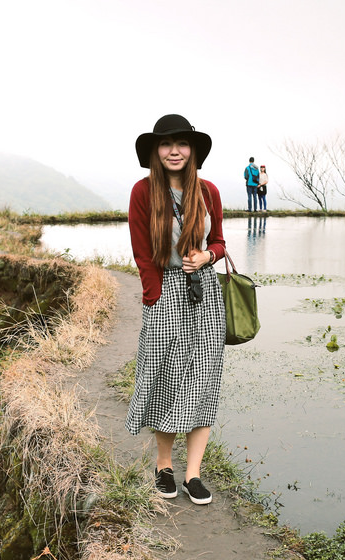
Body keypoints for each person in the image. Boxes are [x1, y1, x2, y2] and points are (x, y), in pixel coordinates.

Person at [126, 114, 227, 505]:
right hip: (165, 295)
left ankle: (194, 474)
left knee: (203, 381)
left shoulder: (209, 192)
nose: (174, 151)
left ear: (193, 150)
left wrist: (206, 256)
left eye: (182, 144)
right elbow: (141, 252)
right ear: (156, 151)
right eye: (166, 144)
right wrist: (153, 298)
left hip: (205, 298)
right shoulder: (142, 192)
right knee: (166, 379)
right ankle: (164, 466)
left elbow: (219, 241)